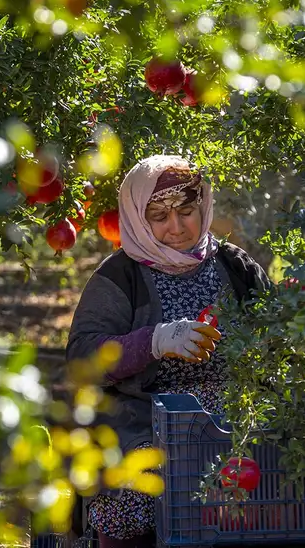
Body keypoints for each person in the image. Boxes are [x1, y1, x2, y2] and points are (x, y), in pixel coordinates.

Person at [66, 155, 270, 548]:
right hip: (143, 424)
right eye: (159, 216)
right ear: (139, 218)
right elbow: (82, 360)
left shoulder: (234, 266)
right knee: (137, 497)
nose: (176, 227)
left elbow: (278, 340)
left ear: (203, 207)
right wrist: (154, 342)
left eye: (186, 212)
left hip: (233, 422)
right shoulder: (120, 275)